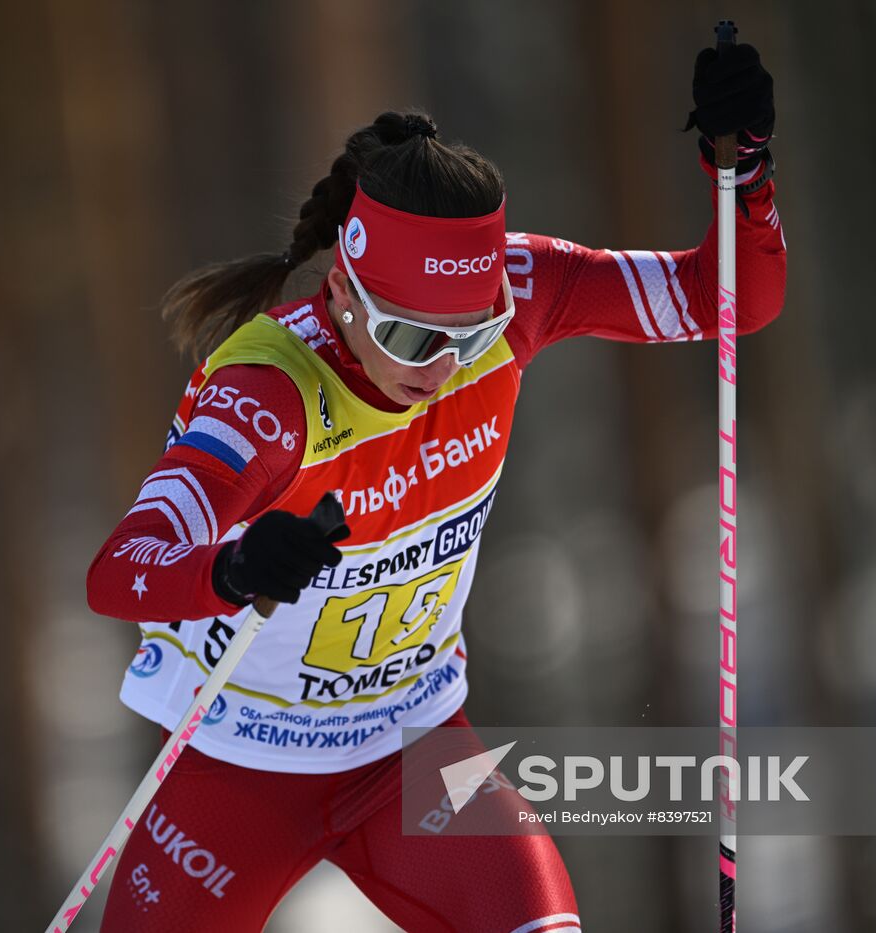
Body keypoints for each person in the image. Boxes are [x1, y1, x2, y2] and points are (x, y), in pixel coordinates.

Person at [86, 42, 784, 933]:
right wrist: (231, 565)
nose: (447, 366)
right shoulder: (268, 392)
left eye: (474, 329)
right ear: (343, 289)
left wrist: (747, 173)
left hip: (414, 756)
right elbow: (118, 569)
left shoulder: (523, 293)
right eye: (414, 339)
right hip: (235, 768)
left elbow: (727, 299)